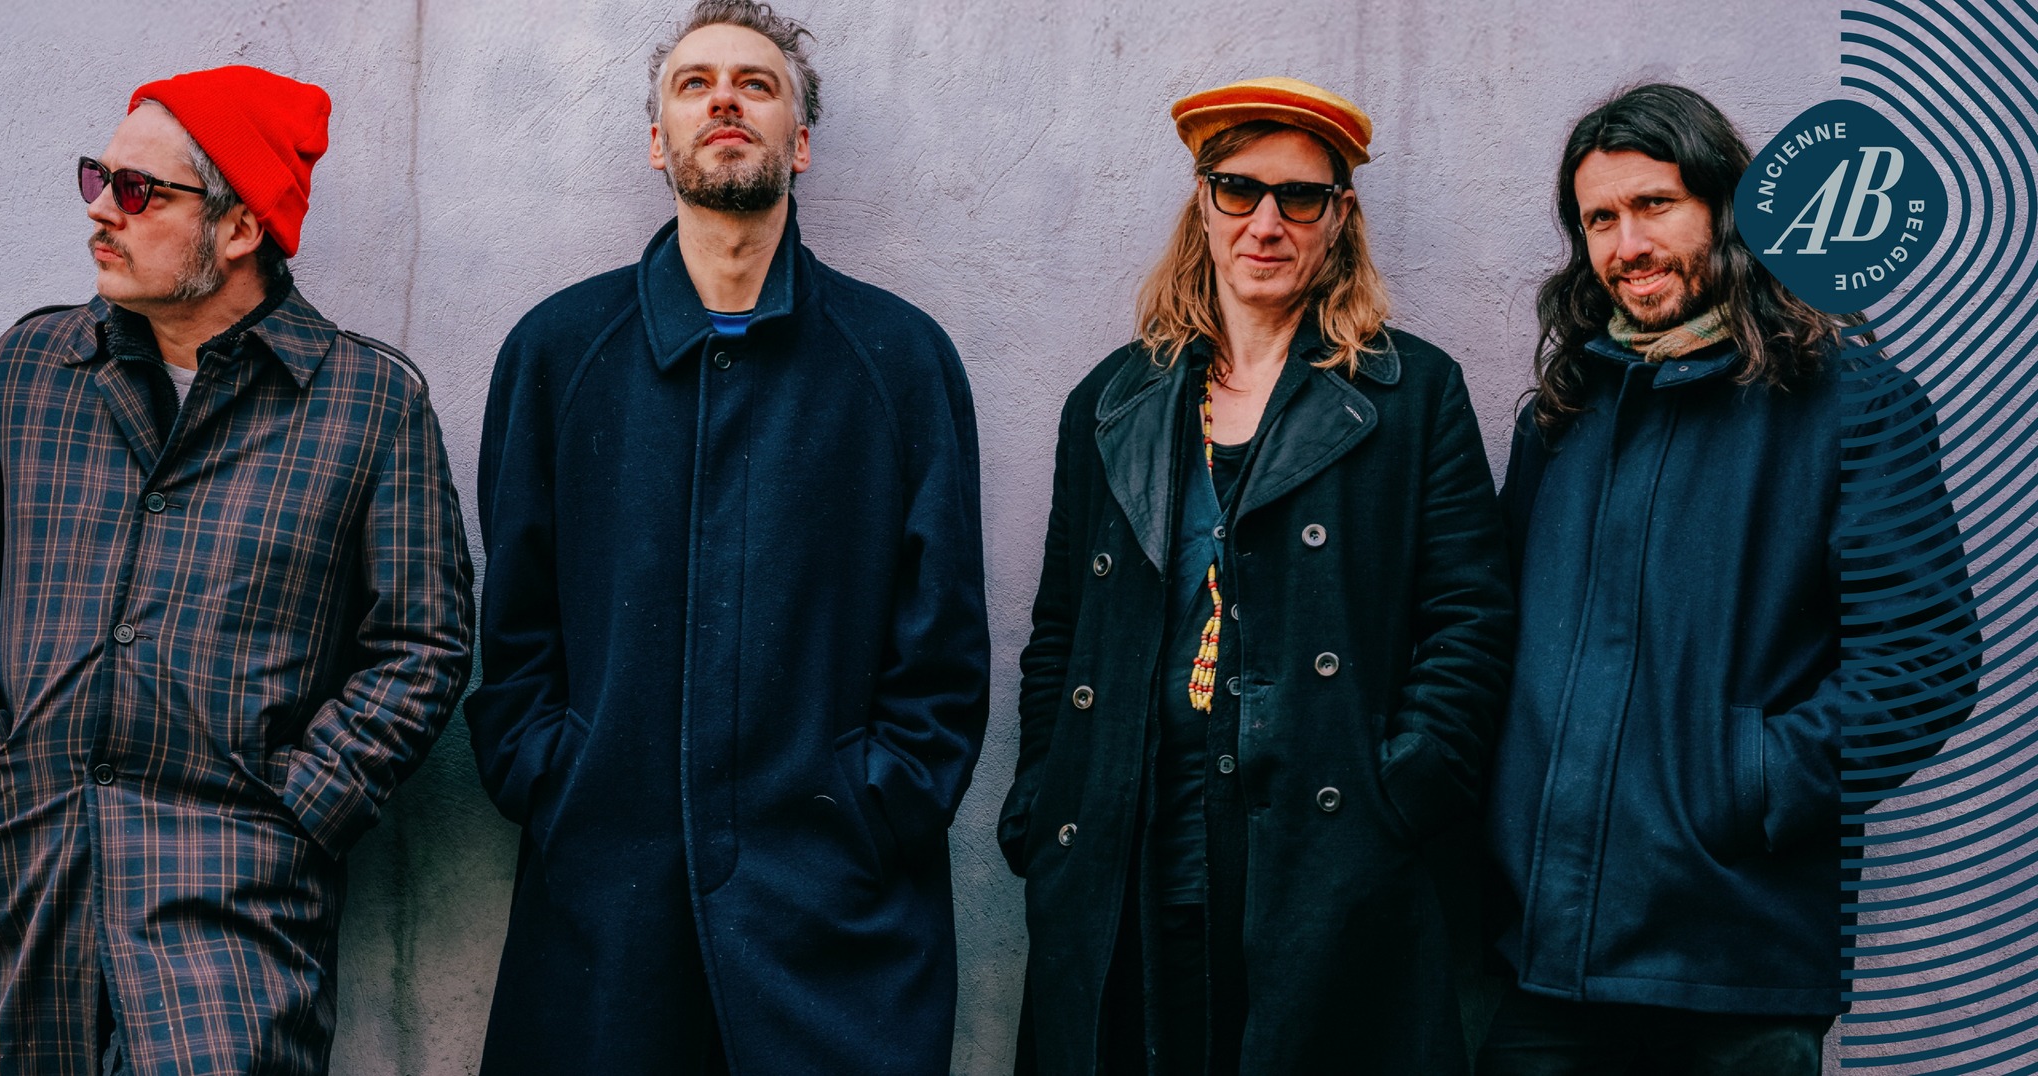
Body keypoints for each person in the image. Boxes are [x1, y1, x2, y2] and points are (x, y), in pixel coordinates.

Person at [465, 2, 990, 1072]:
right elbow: (513, 624)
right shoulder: (558, 353)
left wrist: (874, 805)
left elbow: (943, 645)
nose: (724, 101)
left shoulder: (899, 360)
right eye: (693, 83)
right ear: (657, 142)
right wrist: (557, 778)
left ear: (799, 142)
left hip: (832, 916)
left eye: (756, 84)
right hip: (606, 909)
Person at [999, 76, 1515, 1075]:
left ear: (1339, 217)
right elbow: (1059, 627)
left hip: (1327, 857)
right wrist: (1043, 799)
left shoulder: (1411, 396)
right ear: (1202, 203)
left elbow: (1470, 622)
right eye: (1238, 189)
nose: (1265, 223)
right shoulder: (1110, 400)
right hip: (1130, 844)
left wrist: (1397, 796)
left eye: (1300, 197)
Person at [1481, 83, 1979, 1075]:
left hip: (1736, 958)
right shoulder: (1564, 414)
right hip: (1541, 961)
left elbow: (1923, 664)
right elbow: (1503, 640)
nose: (1627, 245)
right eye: (1599, 219)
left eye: (1654, 205)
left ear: (1727, 207)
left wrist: (1744, 782)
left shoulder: (1849, 403)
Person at [0, 65, 474, 1075]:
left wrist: (295, 813)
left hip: (231, 909)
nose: (100, 211)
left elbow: (421, 645)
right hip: (23, 877)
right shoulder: (31, 369)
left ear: (241, 227)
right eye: (97, 177)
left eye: (137, 190)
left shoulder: (366, 405)